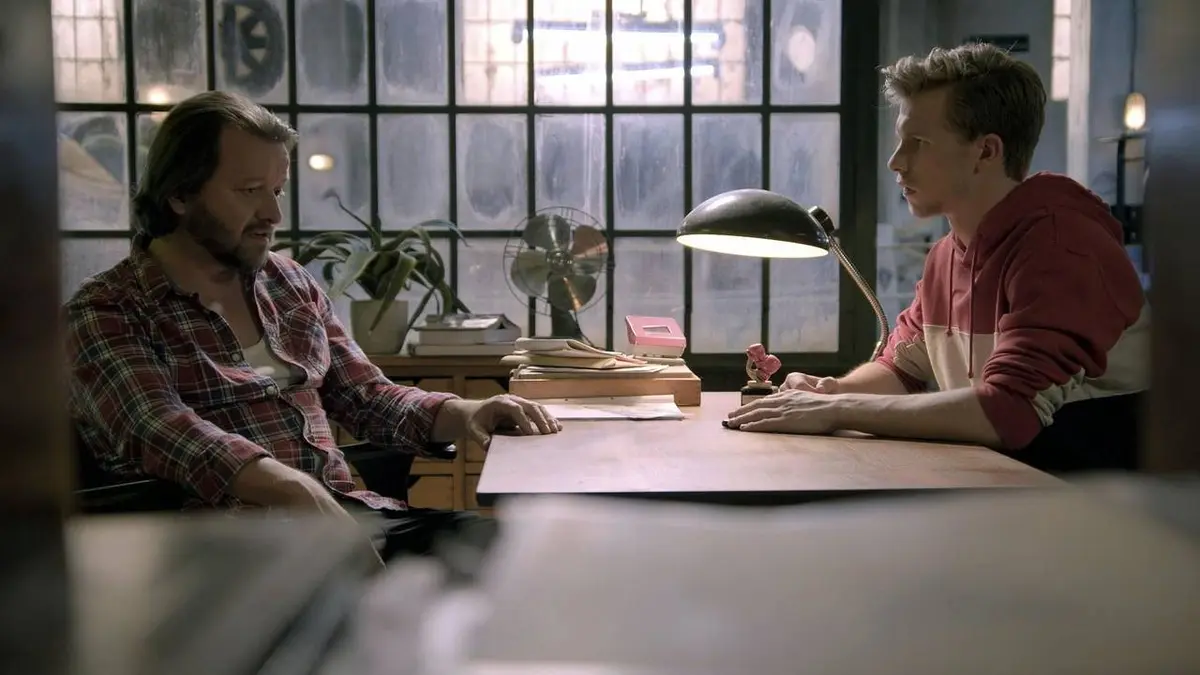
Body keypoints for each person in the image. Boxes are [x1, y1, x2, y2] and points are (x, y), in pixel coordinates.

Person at [65, 90, 560, 562]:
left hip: (349, 518)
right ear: (179, 194)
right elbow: (161, 429)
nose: (273, 213)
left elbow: (366, 397)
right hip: (227, 556)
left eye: (277, 190)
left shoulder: (288, 283)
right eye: (250, 191)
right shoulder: (107, 310)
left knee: (523, 552)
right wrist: (293, 488)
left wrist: (467, 411)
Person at [726, 43, 1149, 472]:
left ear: (986, 151)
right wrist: (829, 392)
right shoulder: (947, 254)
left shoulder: (1062, 247)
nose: (895, 162)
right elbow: (902, 370)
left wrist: (837, 410)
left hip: (1097, 503)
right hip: (1005, 490)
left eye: (919, 143)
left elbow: (1008, 412)